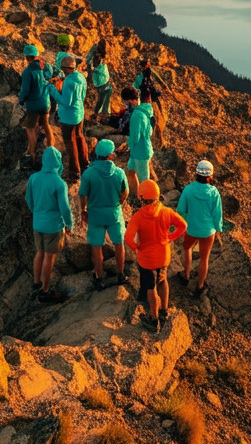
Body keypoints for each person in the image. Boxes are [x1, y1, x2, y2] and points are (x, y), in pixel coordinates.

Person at [124, 180, 187, 333]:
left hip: (147, 259)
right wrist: (171, 237)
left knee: (150, 287)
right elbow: (183, 225)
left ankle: (154, 318)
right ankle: (164, 311)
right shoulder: (166, 211)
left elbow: (128, 237)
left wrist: (135, 248)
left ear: (141, 197)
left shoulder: (138, 217)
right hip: (164, 255)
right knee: (163, 280)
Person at [79, 139, 129, 290]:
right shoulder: (119, 173)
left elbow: (83, 194)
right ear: (110, 156)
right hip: (114, 214)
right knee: (119, 244)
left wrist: (83, 210)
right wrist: (119, 203)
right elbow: (125, 192)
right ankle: (121, 274)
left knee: (96, 247)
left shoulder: (88, 174)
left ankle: (99, 278)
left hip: (95, 215)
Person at [25, 146, 73, 303]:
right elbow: (64, 208)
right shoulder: (59, 183)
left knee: (39, 253)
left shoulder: (34, 178)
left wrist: (36, 212)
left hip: (37, 224)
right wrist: (69, 224)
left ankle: (36, 283)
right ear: (58, 162)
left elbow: (28, 199)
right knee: (49, 257)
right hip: (53, 226)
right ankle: (45, 291)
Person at [176, 159, 224, 298]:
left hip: (191, 228)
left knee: (187, 249)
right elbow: (217, 214)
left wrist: (187, 219)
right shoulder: (214, 192)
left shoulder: (188, 189)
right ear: (210, 176)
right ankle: (200, 286)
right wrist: (218, 229)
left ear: (196, 173)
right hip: (208, 231)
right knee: (204, 258)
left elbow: (180, 209)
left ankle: (186, 275)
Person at [48, 55, 88, 181]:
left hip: (69, 117)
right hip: (79, 113)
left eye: (62, 68)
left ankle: (75, 172)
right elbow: (82, 95)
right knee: (80, 136)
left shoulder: (69, 82)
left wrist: (53, 90)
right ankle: (85, 164)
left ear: (66, 68)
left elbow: (66, 102)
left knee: (70, 144)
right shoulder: (80, 76)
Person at [18, 43, 54, 167]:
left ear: (27, 57)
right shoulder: (44, 66)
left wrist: (21, 100)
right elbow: (50, 76)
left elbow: (25, 90)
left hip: (33, 106)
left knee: (30, 127)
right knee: (46, 125)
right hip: (45, 103)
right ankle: (51, 149)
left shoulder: (28, 72)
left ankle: (31, 153)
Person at [120, 85, 155, 201]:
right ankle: (138, 196)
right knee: (130, 172)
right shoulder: (145, 109)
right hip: (142, 149)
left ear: (131, 100)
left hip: (140, 153)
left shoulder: (136, 115)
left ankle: (147, 200)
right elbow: (149, 130)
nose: (125, 105)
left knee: (145, 181)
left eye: (125, 102)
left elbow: (135, 137)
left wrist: (127, 145)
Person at [134, 57, 170, 144]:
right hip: (151, 98)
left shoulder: (141, 76)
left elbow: (135, 86)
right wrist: (166, 88)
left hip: (146, 98)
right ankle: (157, 139)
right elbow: (159, 80)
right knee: (155, 117)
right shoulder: (149, 73)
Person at [86, 38, 113, 122]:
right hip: (104, 81)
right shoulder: (100, 59)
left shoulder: (95, 56)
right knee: (104, 101)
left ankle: (97, 115)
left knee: (101, 100)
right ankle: (102, 117)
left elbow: (88, 60)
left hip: (100, 82)